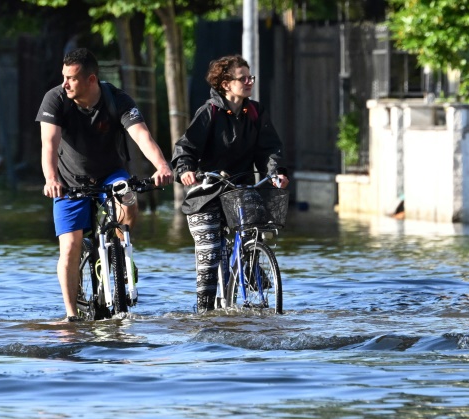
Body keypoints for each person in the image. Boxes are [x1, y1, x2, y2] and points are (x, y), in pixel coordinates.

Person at [36, 48, 173, 322]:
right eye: (63, 77)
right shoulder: (55, 99)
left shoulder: (117, 99)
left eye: (71, 78)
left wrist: (162, 166)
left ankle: (120, 257)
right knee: (71, 246)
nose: (65, 83)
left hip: (111, 173)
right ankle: (71, 315)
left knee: (129, 200)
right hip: (68, 180)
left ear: (91, 79)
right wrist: (51, 179)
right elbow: (49, 145)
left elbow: (141, 136)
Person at [171, 54, 289, 313]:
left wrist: (276, 172)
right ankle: (204, 313)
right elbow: (186, 146)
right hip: (208, 194)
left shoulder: (256, 112)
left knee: (252, 235)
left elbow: (269, 148)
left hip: (240, 191)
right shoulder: (209, 112)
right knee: (211, 255)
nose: (249, 82)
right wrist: (186, 169)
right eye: (243, 78)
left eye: (251, 77)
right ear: (225, 84)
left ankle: (248, 275)